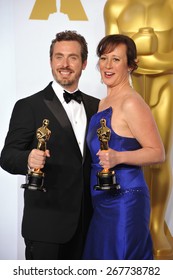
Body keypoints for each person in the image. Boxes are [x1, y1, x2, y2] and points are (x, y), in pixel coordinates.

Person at [0, 30, 99, 260]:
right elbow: (7, 156)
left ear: (84, 63)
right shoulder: (28, 106)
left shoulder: (98, 107)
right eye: (58, 56)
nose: (65, 64)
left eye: (73, 57)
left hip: (90, 225)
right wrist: (28, 159)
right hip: (46, 226)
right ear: (50, 61)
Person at [82, 34, 165, 260]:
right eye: (104, 58)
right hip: (101, 201)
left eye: (116, 59)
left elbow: (158, 152)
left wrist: (118, 157)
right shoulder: (102, 103)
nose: (107, 66)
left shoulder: (132, 102)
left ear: (130, 65)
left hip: (125, 201)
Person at [104, 0, 173, 259]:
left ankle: (156, 226)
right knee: (128, 159)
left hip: (164, 89)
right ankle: (138, 222)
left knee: (157, 160)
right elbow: (111, 62)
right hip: (128, 94)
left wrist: (148, 56)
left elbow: (120, 63)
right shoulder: (115, 6)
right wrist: (148, 57)